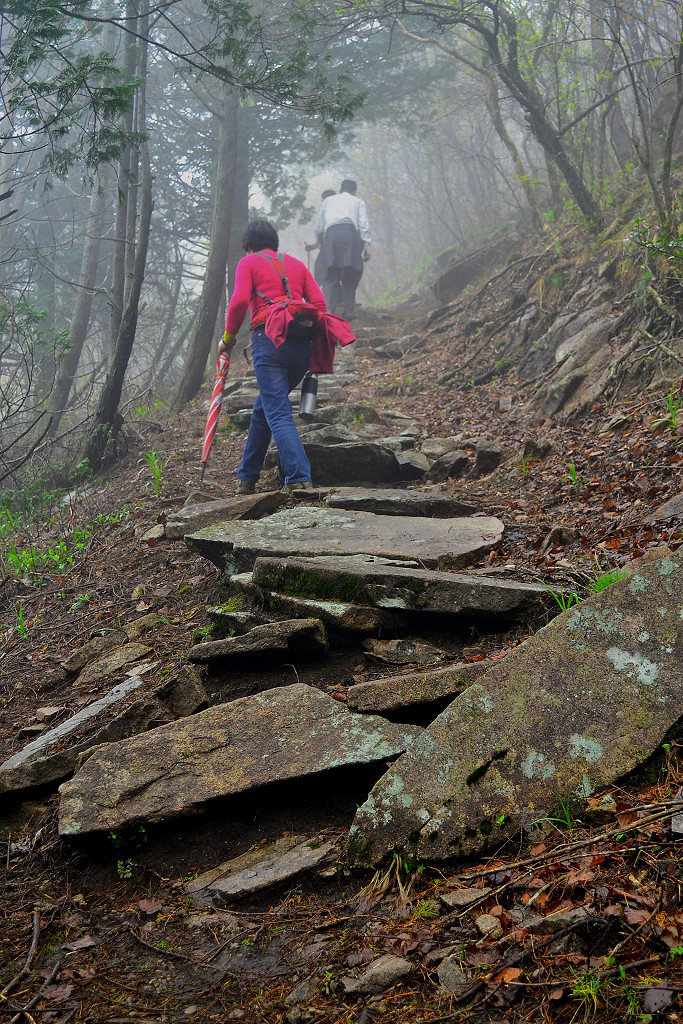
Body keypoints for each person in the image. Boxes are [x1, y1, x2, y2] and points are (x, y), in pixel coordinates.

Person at [219, 219, 326, 494]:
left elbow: (240, 301)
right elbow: (319, 305)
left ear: (250, 246)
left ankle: (299, 477)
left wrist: (228, 339)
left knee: (277, 411)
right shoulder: (296, 265)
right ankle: (247, 477)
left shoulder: (249, 262)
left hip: (269, 343)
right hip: (300, 347)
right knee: (263, 409)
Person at [314, 179, 371, 321]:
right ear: (354, 191)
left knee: (331, 274)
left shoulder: (328, 201)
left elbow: (319, 227)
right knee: (351, 273)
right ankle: (348, 310)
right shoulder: (358, 201)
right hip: (351, 236)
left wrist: (321, 242)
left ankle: (329, 312)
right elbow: (363, 224)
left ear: (340, 190)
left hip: (331, 237)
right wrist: (366, 245)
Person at [306, 189, 335, 284]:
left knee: (320, 269)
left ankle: (320, 288)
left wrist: (321, 244)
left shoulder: (326, 212)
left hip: (330, 248)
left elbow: (319, 231)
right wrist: (313, 246)